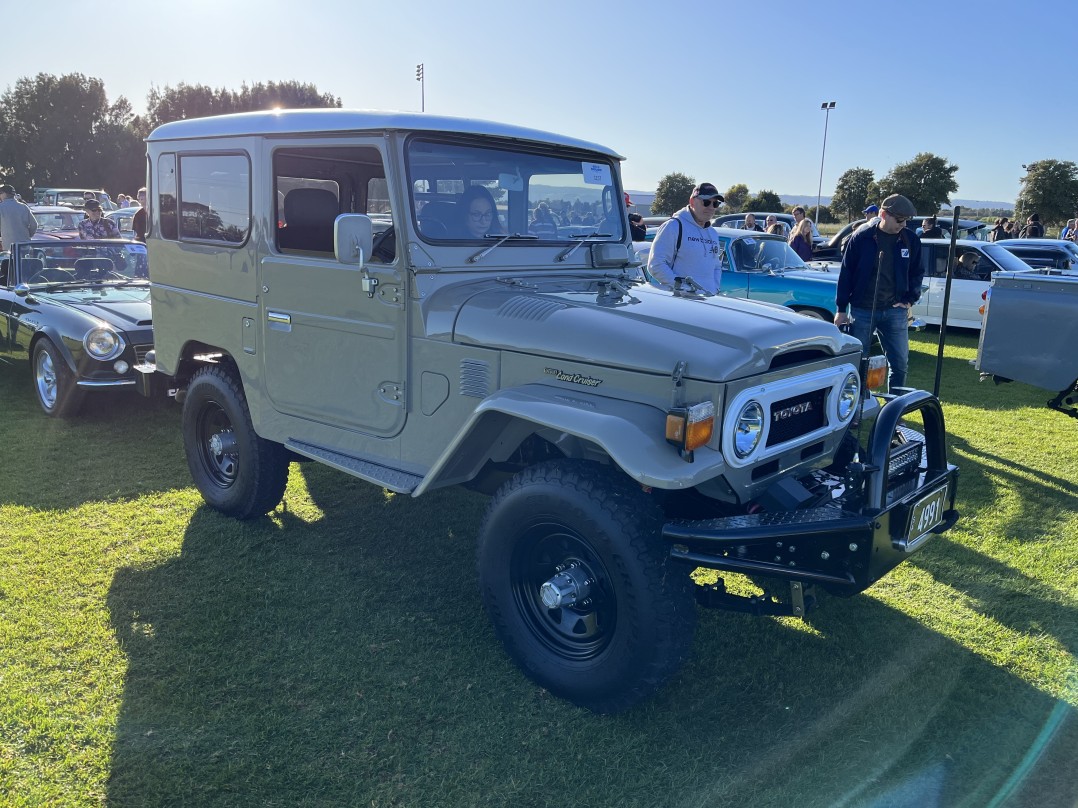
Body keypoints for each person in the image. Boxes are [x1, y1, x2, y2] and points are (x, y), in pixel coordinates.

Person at [834, 194, 923, 390]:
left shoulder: (911, 240)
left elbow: (917, 272)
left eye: (906, 220)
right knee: (858, 364)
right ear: (883, 214)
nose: (903, 224)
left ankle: (895, 408)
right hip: (862, 310)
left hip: (895, 311)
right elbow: (846, 272)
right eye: (899, 220)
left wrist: (910, 299)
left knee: (900, 365)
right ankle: (856, 408)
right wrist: (841, 309)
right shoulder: (861, 237)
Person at [646, 182, 724, 293]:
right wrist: (684, 288)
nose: (711, 207)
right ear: (692, 202)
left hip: (708, 301)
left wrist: (714, 288)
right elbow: (656, 265)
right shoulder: (673, 226)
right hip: (682, 302)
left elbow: (716, 266)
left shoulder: (712, 233)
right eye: (706, 202)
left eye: (715, 204)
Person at [0, 184, 38, 250]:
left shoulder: (1, 208)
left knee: (11, 260)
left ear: (4, 194)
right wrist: (28, 235)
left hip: (9, 246)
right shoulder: (24, 207)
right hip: (25, 245)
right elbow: (34, 225)